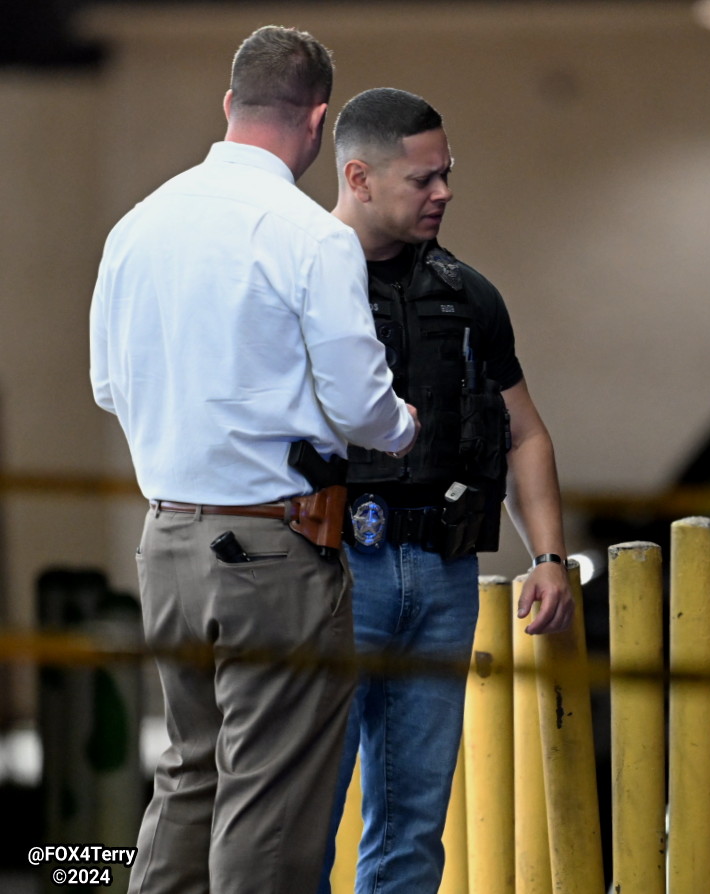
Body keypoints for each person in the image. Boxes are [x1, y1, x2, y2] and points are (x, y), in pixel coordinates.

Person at [89, 27, 418, 894]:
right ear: (316, 124)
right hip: (272, 554)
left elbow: (108, 387)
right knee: (267, 806)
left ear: (229, 105)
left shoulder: (136, 226)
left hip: (166, 545)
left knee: (189, 777)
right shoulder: (308, 237)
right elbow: (359, 405)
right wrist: (404, 426)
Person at [318, 87, 574, 894]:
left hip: (440, 571)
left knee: (412, 824)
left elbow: (524, 432)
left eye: (446, 174)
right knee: (301, 814)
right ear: (358, 178)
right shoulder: (293, 278)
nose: (443, 193)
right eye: (422, 180)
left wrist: (550, 555)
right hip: (330, 569)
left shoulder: (467, 295)